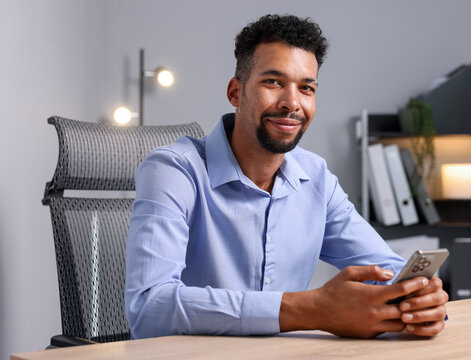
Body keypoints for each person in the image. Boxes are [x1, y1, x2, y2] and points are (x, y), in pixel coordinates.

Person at [125, 14, 448, 340]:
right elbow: (148, 307)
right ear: (235, 92)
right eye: (273, 82)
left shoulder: (316, 179)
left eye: (306, 88)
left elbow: (386, 270)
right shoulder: (173, 170)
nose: (292, 103)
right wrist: (312, 309)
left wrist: (421, 300)